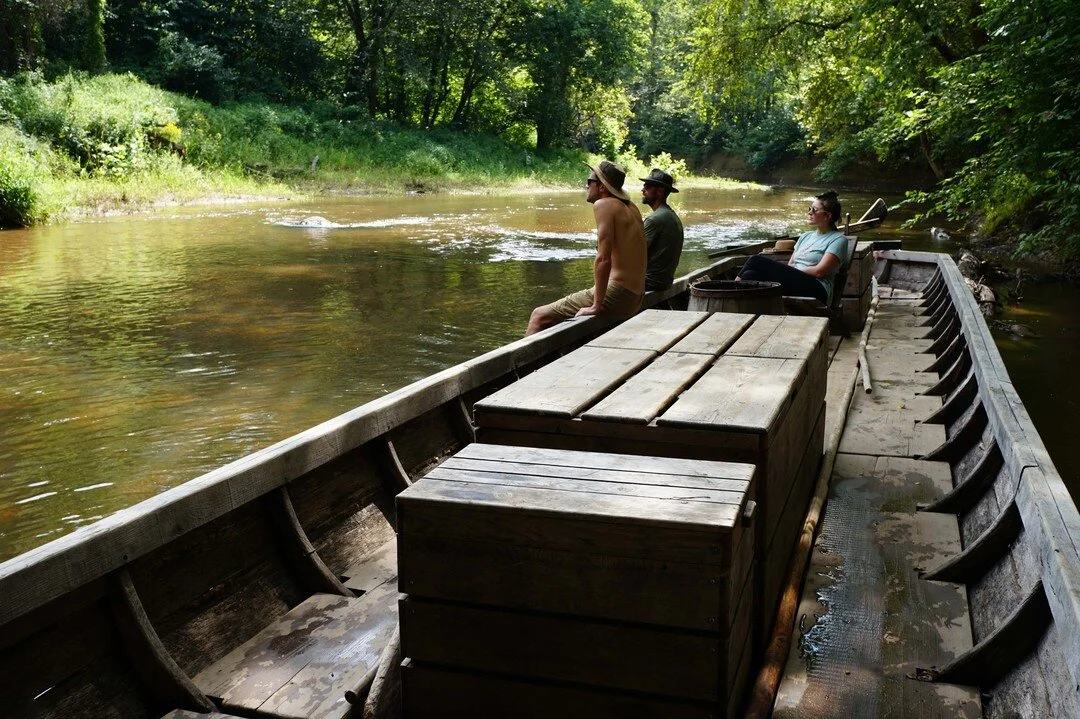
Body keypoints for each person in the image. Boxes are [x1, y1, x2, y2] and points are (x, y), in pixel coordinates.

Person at [526, 161, 646, 336]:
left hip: (619, 293)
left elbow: (602, 259)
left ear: (602, 186)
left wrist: (596, 305)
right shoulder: (632, 208)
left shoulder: (604, 205)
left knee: (538, 316)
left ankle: (524, 364)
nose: (586, 185)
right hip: (636, 297)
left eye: (590, 181)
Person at [736, 191, 847, 304]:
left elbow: (819, 272)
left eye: (814, 210)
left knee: (755, 260)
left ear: (828, 215)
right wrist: (791, 271)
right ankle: (751, 312)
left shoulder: (838, 240)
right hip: (795, 282)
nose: (809, 213)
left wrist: (794, 270)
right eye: (809, 208)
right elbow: (790, 265)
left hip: (817, 289)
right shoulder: (805, 236)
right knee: (749, 275)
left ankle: (730, 293)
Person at [640, 168, 684, 291]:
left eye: (647, 187)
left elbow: (635, 254)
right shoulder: (672, 216)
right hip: (665, 282)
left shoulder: (654, 220)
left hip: (649, 282)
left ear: (660, 191)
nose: (643, 190)